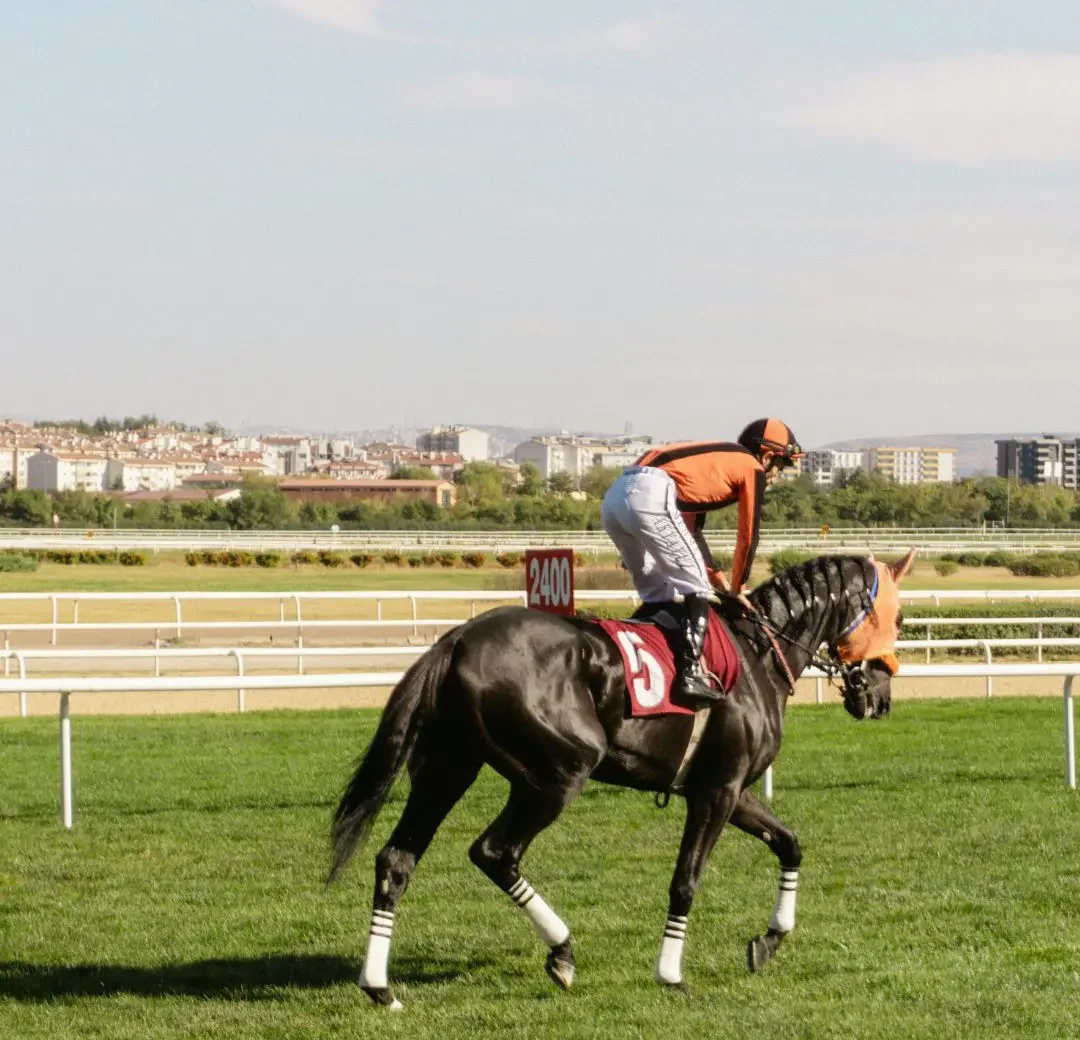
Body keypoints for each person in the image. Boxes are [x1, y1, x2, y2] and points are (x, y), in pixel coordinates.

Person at [601, 418, 803, 705]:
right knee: (694, 585)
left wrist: (720, 581)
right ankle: (690, 674)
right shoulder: (751, 468)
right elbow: (748, 535)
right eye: (781, 467)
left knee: (658, 592)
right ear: (767, 456)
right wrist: (738, 587)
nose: (777, 476)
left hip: (616, 496)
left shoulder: (713, 464)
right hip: (650, 493)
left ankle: (638, 659)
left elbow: (692, 532)